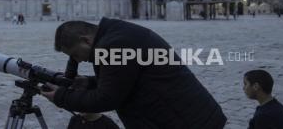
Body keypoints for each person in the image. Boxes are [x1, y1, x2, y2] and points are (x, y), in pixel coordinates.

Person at [41, 18, 227, 129]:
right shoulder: (117, 34)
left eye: (75, 54)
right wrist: (89, 83)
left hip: (184, 122)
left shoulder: (114, 46)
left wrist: (61, 96)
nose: (78, 60)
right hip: (188, 118)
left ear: (86, 40)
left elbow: (106, 99)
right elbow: (128, 78)